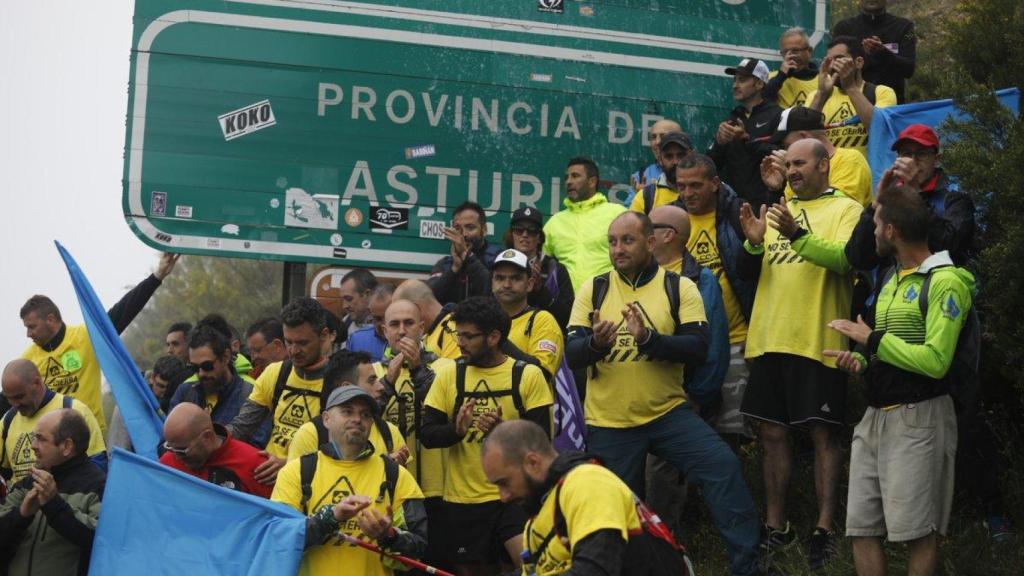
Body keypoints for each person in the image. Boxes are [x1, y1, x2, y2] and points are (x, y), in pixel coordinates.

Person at [566, 211, 761, 576]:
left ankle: (747, 568)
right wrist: (595, 343)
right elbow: (572, 353)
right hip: (611, 423)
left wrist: (649, 340)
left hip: (667, 415)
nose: (618, 249)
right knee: (616, 514)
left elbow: (698, 346)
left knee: (723, 467)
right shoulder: (594, 288)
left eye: (627, 240)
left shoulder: (679, 286)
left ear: (650, 242)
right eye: (612, 241)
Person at [826, 184, 969, 576]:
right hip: (874, 417)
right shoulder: (890, 277)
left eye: (875, 224)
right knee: (861, 528)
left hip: (920, 417)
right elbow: (886, 353)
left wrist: (871, 340)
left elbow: (936, 361)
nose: (871, 233)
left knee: (918, 533)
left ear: (891, 231)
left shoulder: (946, 281)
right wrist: (862, 362)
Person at [737, 139, 862, 569]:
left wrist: (795, 233)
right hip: (770, 337)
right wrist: (754, 244)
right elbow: (752, 271)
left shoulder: (846, 209)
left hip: (818, 337)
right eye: (787, 164)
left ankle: (824, 529)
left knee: (822, 433)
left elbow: (846, 260)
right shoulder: (776, 208)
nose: (791, 170)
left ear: (824, 165)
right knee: (771, 434)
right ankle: (777, 527)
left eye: (800, 163)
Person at [420, 297, 553, 576]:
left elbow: (543, 442)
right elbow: (428, 434)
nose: (461, 343)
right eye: (458, 335)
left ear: (494, 337)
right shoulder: (449, 376)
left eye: (468, 336)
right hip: (463, 501)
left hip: (514, 497)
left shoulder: (527, 375)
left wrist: (504, 433)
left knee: (529, 568)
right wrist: (456, 430)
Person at [272, 386, 427, 576]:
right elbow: (278, 539)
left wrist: (388, 536)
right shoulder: (296, 471)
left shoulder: (396, 475)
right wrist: (330, 518)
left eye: (365, 414)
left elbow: (419, 548)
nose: (357, 419)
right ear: (326, 419)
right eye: (347, 411)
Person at [19, 252, 179, 432]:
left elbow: (122, 312)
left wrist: (157, 276)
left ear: (50, 319)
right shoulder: (27, 361)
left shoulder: (86, 337)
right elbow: (10, 397)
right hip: (50, 444)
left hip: (90, 441)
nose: (28, 334)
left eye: (32, 327)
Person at [644, 205, 731, 538]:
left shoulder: (700, 279)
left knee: (662, 480)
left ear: (668, 235)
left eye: (648, 227)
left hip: (679, 400)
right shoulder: (635, 273)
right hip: (634, 401)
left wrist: (697, 397)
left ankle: (667, 554)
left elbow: (714, 345)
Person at [481, 420, 644, 576]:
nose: (503, 496)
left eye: (504, 483)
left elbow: (595, 570)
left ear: (533, 463)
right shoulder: (538, 519)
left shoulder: (588, 482)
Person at [673, 154, 758, 440]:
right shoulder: (669, 221)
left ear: (715, 183)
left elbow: (752, 272)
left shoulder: (737, 214)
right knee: (692, 430)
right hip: (689, 345)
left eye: (695, 185)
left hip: (737, 338)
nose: (687, 193)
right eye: (681, 186)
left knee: (734, 431)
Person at [229, 297, 332, 484]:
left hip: (313, 484)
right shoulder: (276, 373)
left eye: (302, 342)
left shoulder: (339, 381)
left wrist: (290, 464)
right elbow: (241, 427)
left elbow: (345, 452)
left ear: (323, 335)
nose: (293, 351)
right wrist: (211, 435)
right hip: (270, 483)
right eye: (288, 342)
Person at [845, 123, 976, 269]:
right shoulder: (892, 198)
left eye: (921, 153)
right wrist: (876, 205)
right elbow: (857, 259)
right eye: (906, 154)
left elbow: (950, 248)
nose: (913, 161)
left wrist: (915, 193)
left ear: (937, 159)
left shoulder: (956, 197)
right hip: (892, 288)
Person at [0, 409, 106, 576]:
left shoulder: (98, 485)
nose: (33, 445)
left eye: (41, 439)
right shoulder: (27, 484)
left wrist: (54, 504)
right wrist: (21, 516)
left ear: (67, 446)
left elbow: (102, 541)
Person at [287, 351, 409, 467]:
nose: (381, 386)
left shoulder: (390, 432)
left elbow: (402, 486)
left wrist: (393, 473)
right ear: (346, 387)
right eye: (371, 381)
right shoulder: (310, 434)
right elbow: (297, 484)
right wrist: (382, 467)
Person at [1, 359, 106, 483]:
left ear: (37, 382)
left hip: (68, 498)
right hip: (19, 499)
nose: (15, 404)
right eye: (9, 399)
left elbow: (99, 466)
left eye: (19, 396)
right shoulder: (7, 420)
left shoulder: (74, 410)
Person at [169, 325, 270, 447]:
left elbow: (256, 448)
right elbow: (165, 444)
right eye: (194, 368)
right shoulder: (184, 392)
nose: (201, 374)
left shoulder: (252, 395)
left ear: (226, 357)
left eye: (207, 366)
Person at [708, 58, 782, 212]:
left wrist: (747, 140)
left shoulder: (777, 115)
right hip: (733, 206)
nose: (735, 85)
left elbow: (782, 155)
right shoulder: (732, 118)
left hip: (767, 204)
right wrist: (719, 143)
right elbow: (711, 165)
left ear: (760, 84)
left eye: (742, 80)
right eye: (734, 80)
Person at [806, 36, 897, 160]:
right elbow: (804, 138)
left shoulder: (881, 92)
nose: (832, 66)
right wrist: (821, 95)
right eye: (829, 60)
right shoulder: (815, 96)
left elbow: (880, 130)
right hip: (828, 174)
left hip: (867, 174)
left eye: (839, 59)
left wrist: (850, 88)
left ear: (859, 62)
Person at [763, 106, 873, 207]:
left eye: (787, 145)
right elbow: (793, 213)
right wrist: (775, 190)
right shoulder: (795, 171)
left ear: (804, 137)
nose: (786, 151)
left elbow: (839, 209)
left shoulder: (850, 160)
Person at [543, 157, 626, 292]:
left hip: (609, 300)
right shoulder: (555, 222)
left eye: (575, 176)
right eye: (567, 177)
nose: (569, 182)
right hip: (567, 307)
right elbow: (537, 260)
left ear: (592, 181)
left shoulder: (617, 214)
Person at [160, 402, 272, 497]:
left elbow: (280, 516)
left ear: (207, 437)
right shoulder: (167, 463)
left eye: (182, 451)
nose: (177, 457)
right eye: (169, 447)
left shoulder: (258, 468)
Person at [491, 249, 565, 381]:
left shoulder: (542, 320)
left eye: (515, 278)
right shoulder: (482, 321)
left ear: (530, 284)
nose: (507, 285)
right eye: (500, 278)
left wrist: (498, 341)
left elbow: (542, 374)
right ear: (492, 283)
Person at [501, 206, 575, 329]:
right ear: (512, 234)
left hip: (546, 333)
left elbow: (569, 317)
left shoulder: (556, 269)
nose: (525, 235)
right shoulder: (500, 265)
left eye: (532, 231)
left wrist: (540, 291)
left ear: (540, 237)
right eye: (519, 230)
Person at [832, 0, 917, 103]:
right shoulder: (843, 28)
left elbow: (909, 69)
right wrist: (861, 56)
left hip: (892, 105)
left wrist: (883, 53)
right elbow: (835, 69)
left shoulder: (905, 27)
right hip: (851, 102)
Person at [108, 354, 190, 451]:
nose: (164, 394)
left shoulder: (182, 401)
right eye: (161, 386)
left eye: (170, 389)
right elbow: (118, 447)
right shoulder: (129, 405)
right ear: (152, 377)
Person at [429, 201, 501, 304]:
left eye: (470, 227)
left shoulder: (499, 259)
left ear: (484, 230)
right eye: (458, 229)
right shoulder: (445, 263)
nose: (464, 234)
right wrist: (454, 269)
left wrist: (468, 256)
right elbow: (429, 299)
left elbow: (496, 294)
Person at [393, 280, 461, 360]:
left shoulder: (453, 328)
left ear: (416, 308)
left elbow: (453, 371)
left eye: (403, 314)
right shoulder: (430, 333)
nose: (402, 329)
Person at [630, 132, 695, 214]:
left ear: (692, 155)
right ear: (660, 159)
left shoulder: (707, 191)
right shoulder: (646, 197)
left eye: (681, 155)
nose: (675, 162)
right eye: (669, 156)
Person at [627, 118, 684, 204]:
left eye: (663, 136)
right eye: (653, 137)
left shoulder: (697, 172)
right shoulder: (641, 175)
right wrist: (641, 197)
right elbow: (628, 212)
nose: (657, 142)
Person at [764, 27, 820, 108]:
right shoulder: (771, 78)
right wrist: (781, 75)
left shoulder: (823, 80)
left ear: (809, 51)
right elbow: (760, 101)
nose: (791, 56)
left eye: (796, 50)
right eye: (786, 52)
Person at [348, 283, 393, 362]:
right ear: (370, 312)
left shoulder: (413, 341)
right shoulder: (357, 340)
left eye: (388, 318)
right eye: (378, 318)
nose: (383, 324)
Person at [338, 268, 379, 347]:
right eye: (343, 300)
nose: (344, 306)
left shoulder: (386, 326)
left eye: (349, 299)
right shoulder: (346, 322)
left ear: (367, 294)